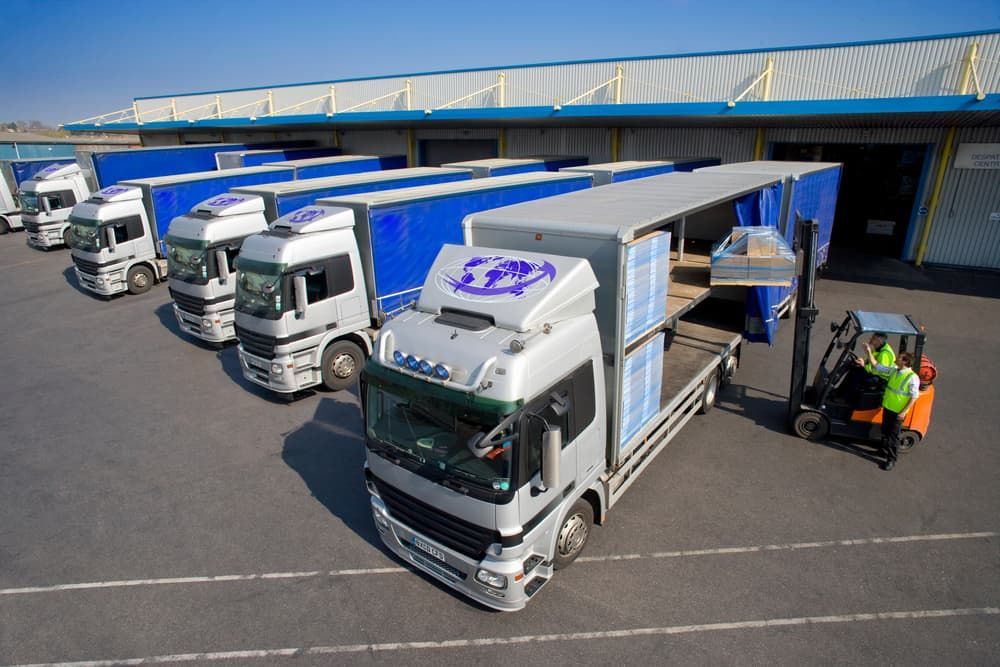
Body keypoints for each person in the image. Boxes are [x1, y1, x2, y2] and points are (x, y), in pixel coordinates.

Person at [864, 346, 920, 471]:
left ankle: (891, 459)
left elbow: (914, 397)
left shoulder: (912, 378)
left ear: (905, 361)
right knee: (884, 431)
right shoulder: (894, 370)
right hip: (888, 407)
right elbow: (878, 366)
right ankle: (883, 451)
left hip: (898, 412)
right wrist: (868, 353)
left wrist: (904, 412)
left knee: (893, 437)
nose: (896, 358)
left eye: (899, 357)